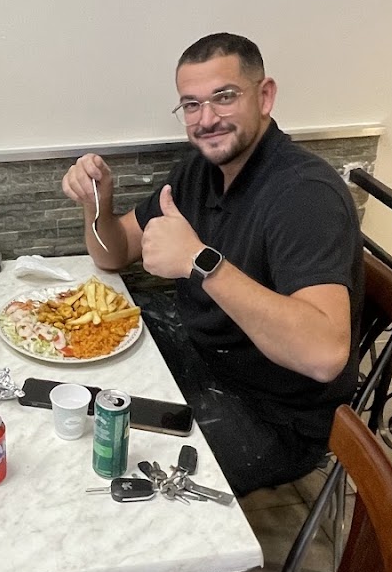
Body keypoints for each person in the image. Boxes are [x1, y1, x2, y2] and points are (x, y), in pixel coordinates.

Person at [61, 32, 364, 496]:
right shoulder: (198, 171)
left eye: (224, 97)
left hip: (274, 417)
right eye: (191, 104)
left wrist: (200, 261)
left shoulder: (305, 196)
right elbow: (114, 252)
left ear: (265, 96)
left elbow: (323, 356)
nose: (206, 119)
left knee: (112, 468)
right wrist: (97, 200)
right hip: (201, 355)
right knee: (75, 374)